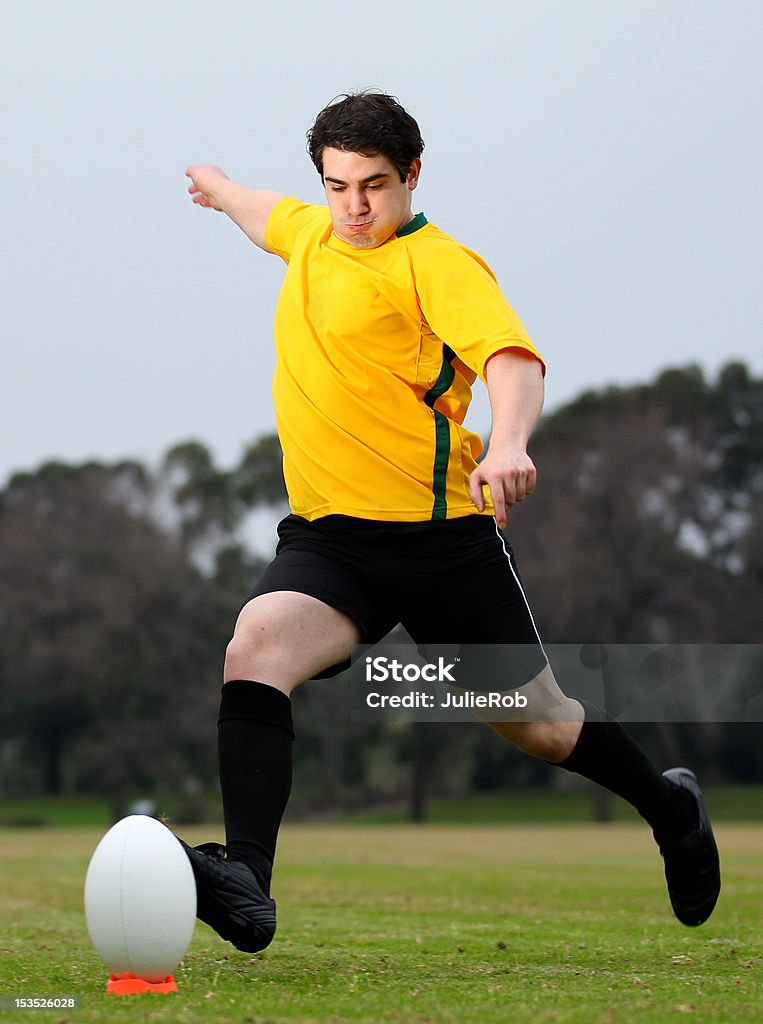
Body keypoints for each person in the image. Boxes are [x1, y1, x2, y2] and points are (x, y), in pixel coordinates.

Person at [181, 91, 720, 954]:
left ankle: (671, 807)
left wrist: (508, 443)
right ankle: (246, 879)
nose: (354, 207)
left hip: (442, 545)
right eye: (337, 185)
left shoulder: (437, 264)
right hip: (330, 541)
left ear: (413, 176)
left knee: (541, 727)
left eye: (374, 186)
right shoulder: (309, 234)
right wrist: (215, 184)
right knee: (253, 651)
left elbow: (511, 360)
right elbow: (261, 213)